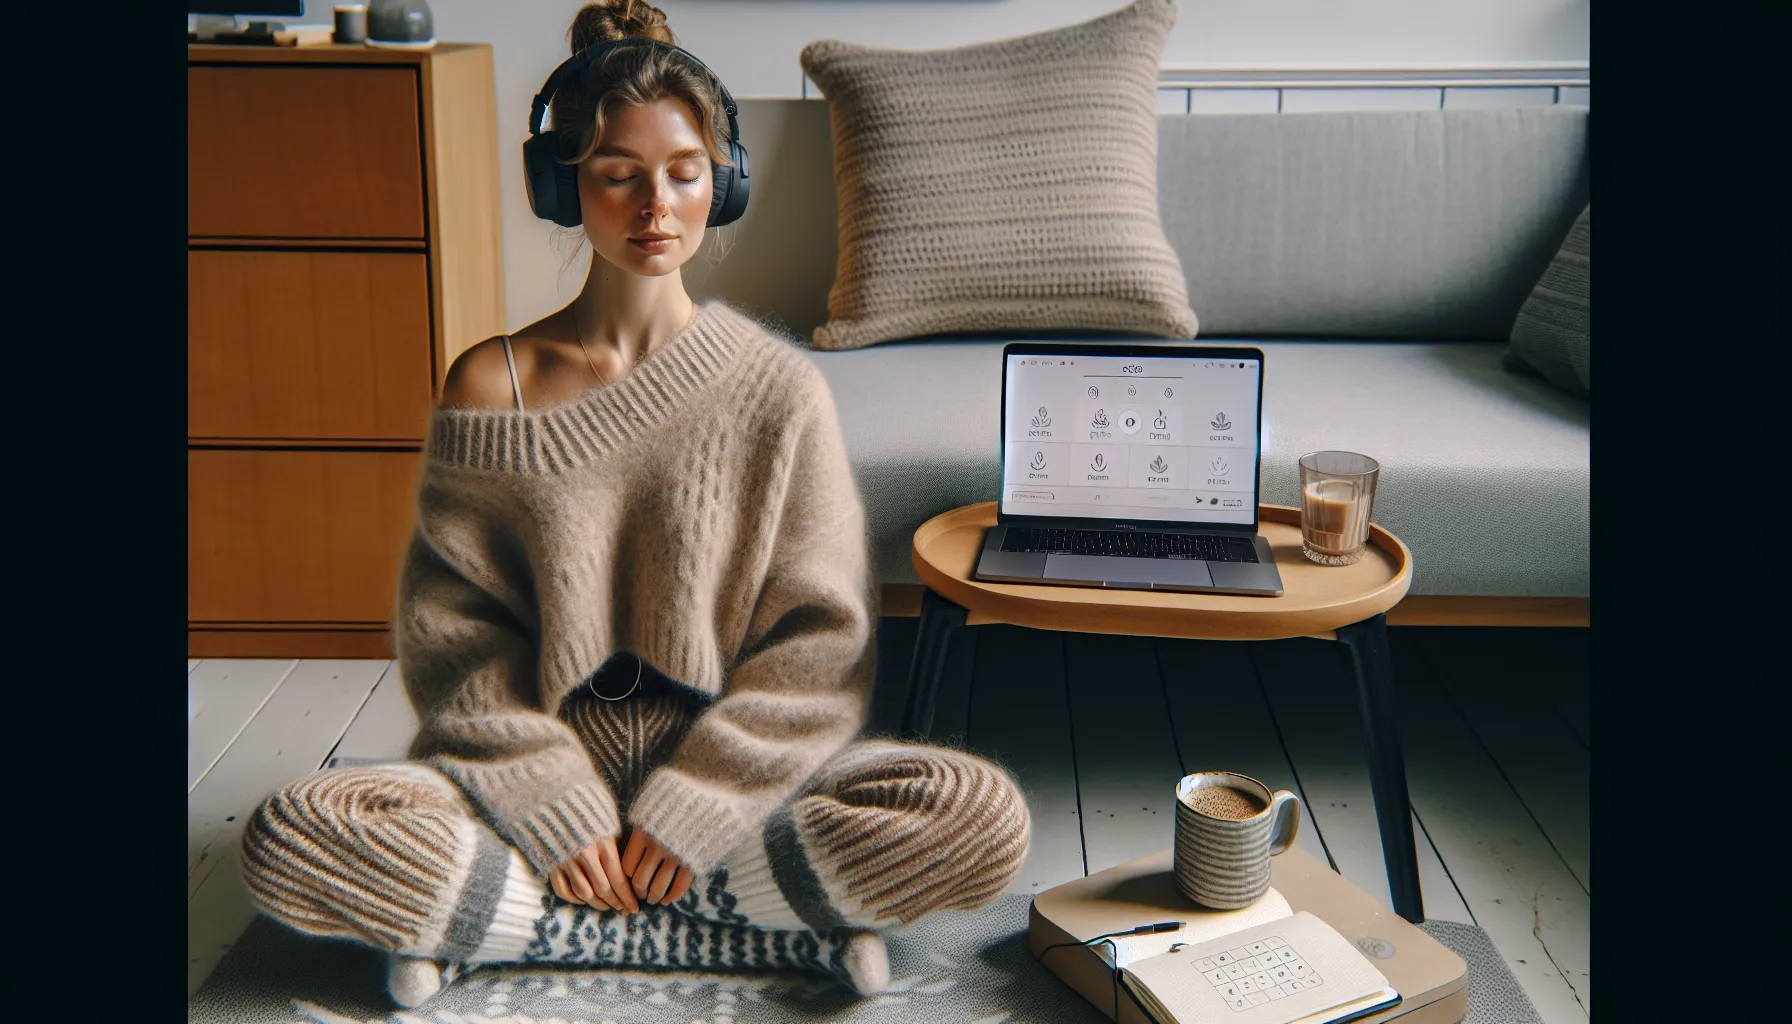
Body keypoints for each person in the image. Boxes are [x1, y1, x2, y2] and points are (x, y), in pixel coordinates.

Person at [236, 0, 1030, 1009]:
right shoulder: (492, 382)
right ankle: (744, 920)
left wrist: (694, 805)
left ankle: (518, 925)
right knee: (293, 832)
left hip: (732, 787)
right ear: (565, 185)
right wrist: (552, 802)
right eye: (619, 174)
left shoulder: (780, 392)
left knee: (977, 812)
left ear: (722, 181)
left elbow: (817, 647)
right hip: (521, 779)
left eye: (684, 171)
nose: (656, 204)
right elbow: (455, 641)